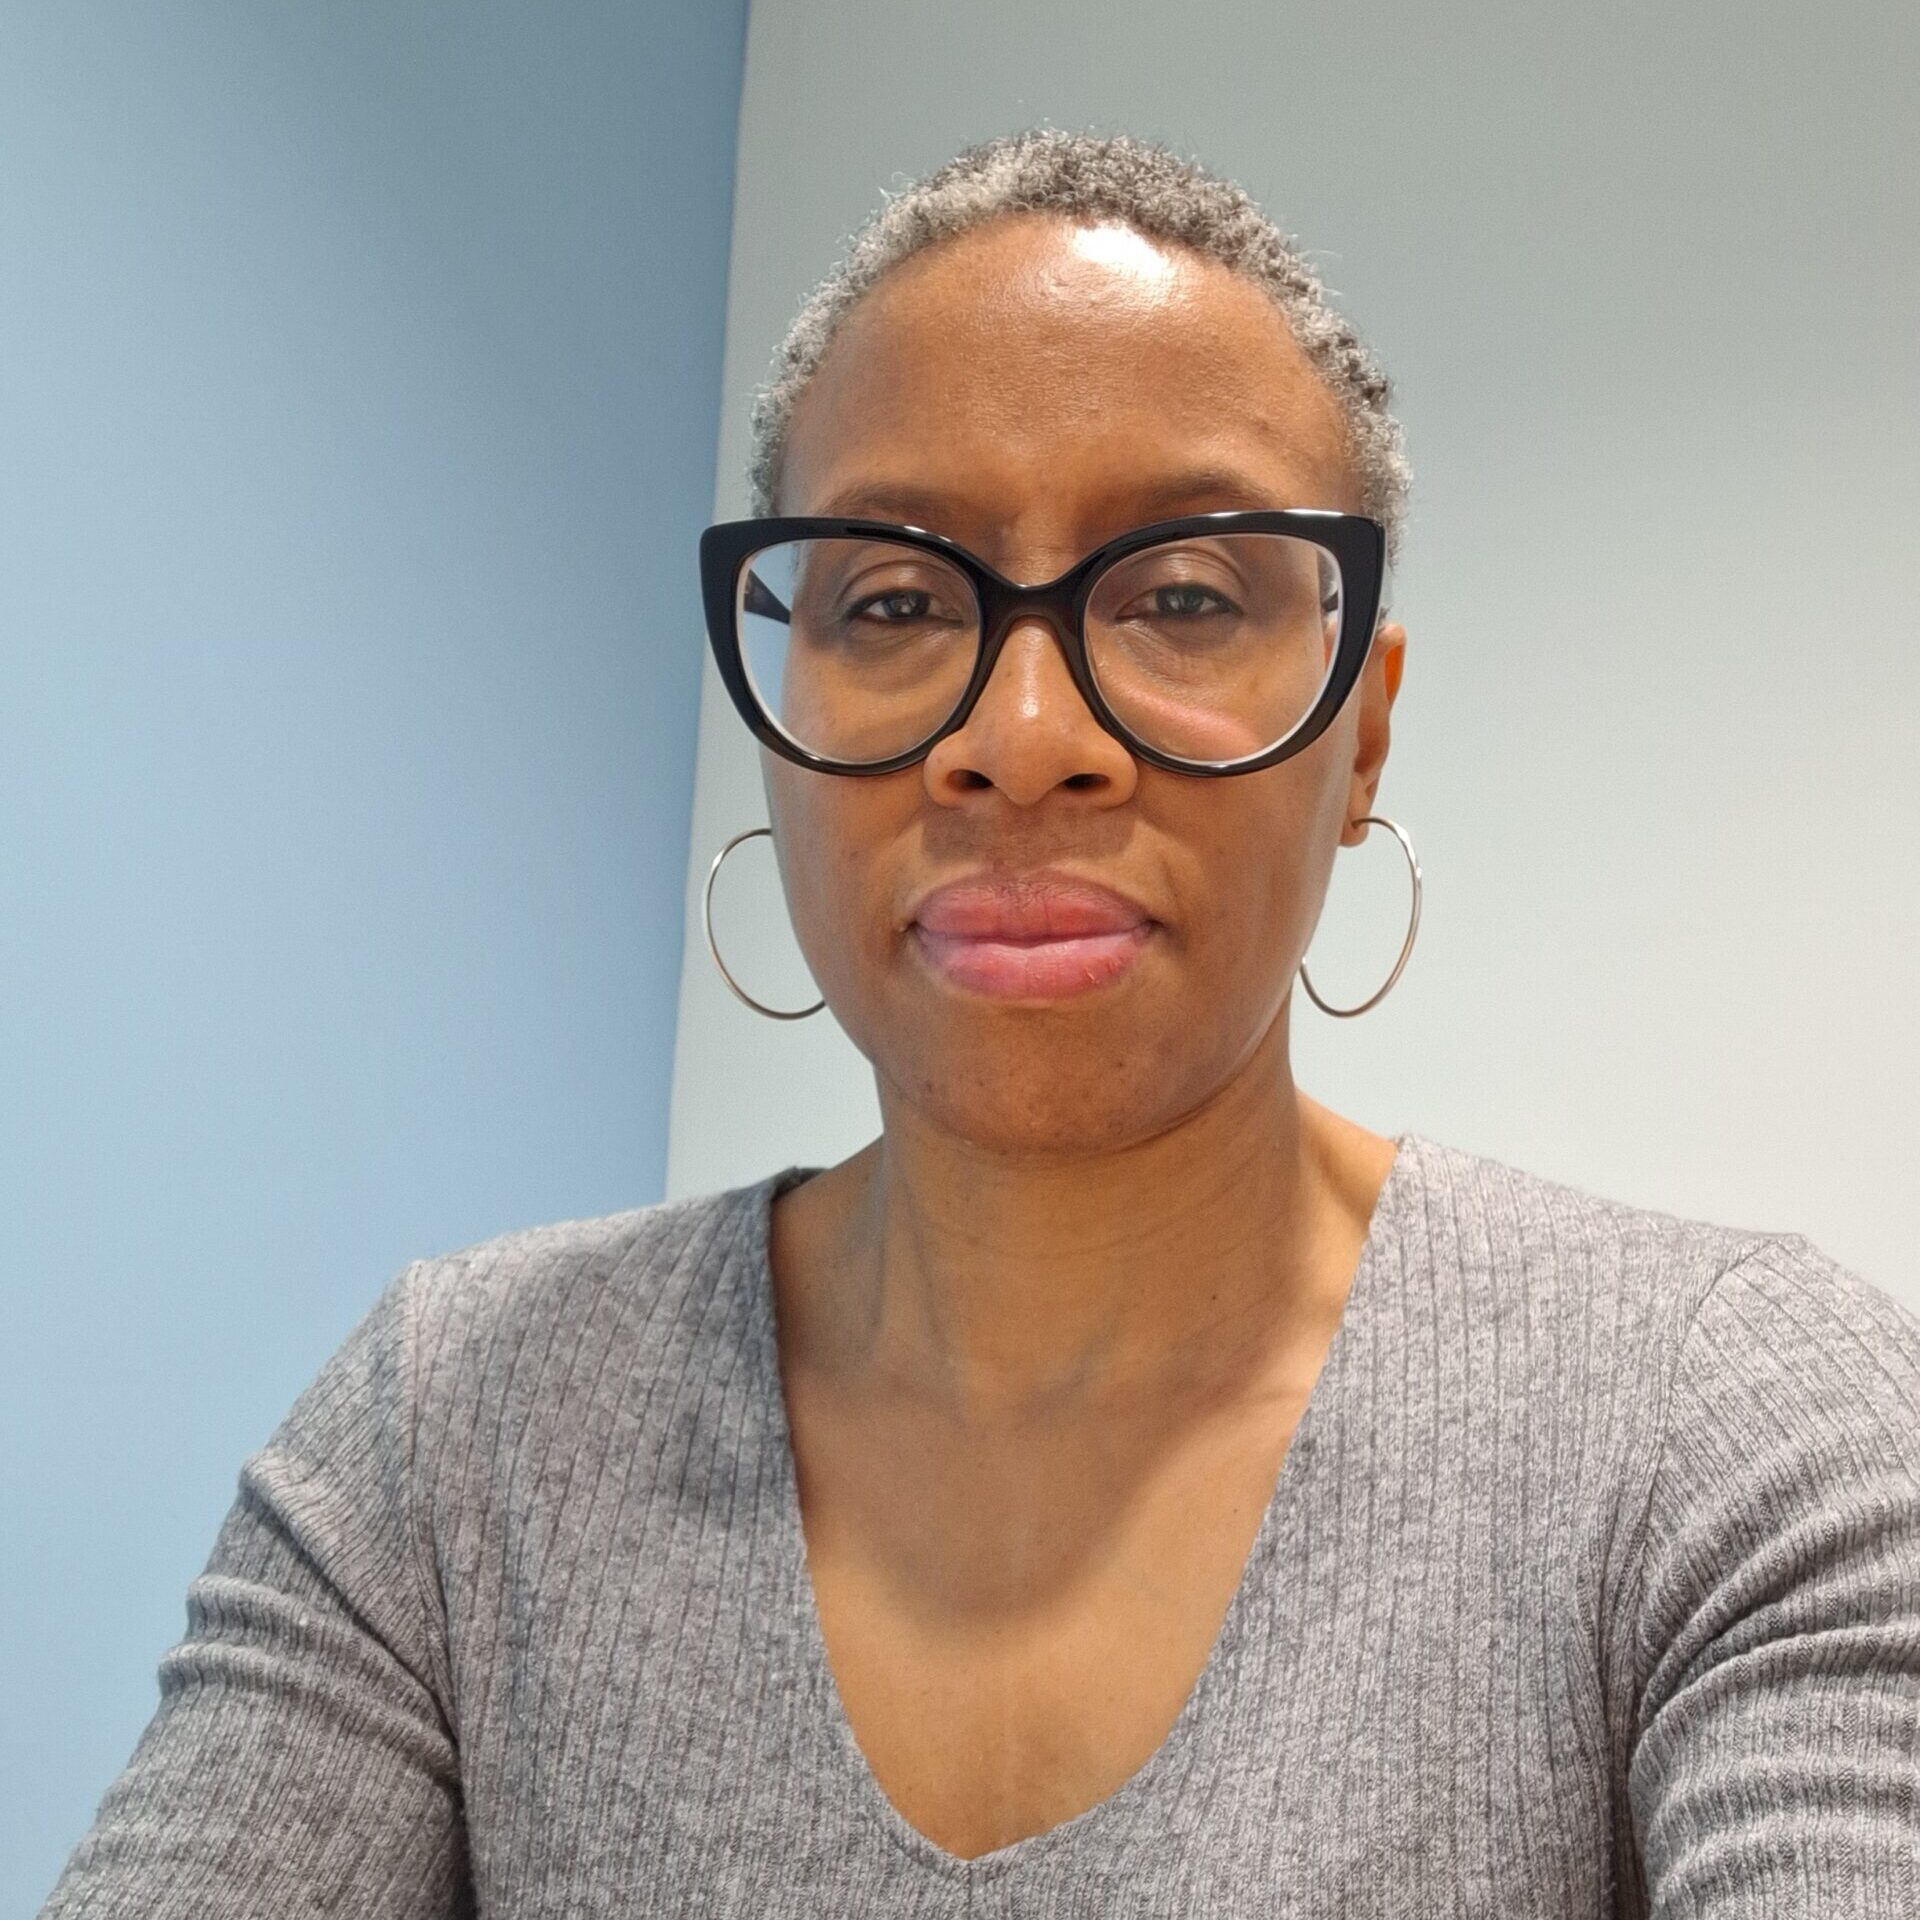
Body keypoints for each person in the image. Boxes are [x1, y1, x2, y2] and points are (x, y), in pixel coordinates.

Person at [38, 127, 1919, 1918]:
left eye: (1181, 593)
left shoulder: (1720, 1427)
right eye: (892, 601)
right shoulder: (462, 1436)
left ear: (1362, 733)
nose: (1022, 743)